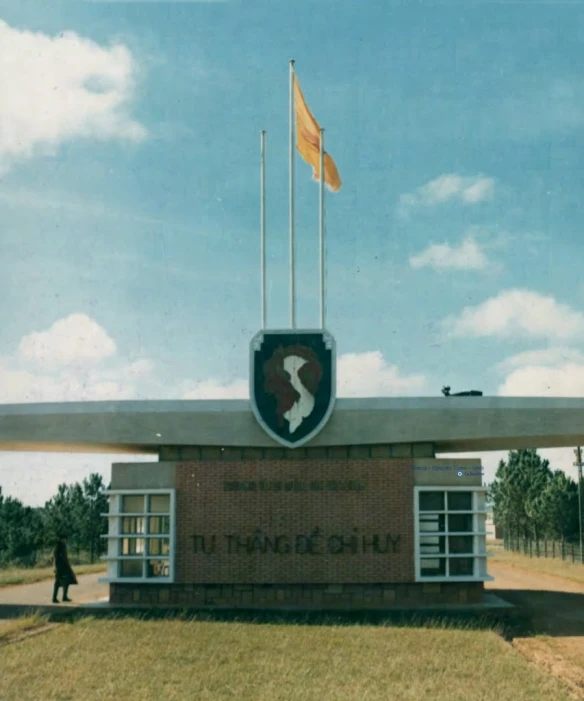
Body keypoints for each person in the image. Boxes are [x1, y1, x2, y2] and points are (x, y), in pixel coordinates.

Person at [51, 537, 78, 604]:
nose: (65, 540)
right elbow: (57, 558)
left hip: (62, 567)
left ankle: (61, 597)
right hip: (61, 568)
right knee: (61, 582)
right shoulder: (59, 548)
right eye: (64, 539)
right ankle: (58, 598)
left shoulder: (60, 547)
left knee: (63, 582)